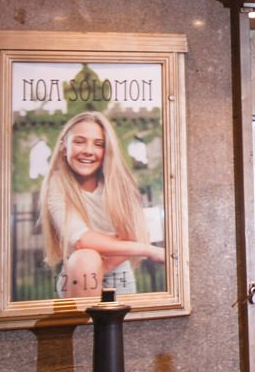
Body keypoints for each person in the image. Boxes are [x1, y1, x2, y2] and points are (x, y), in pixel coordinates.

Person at [39, 110, 165, 297]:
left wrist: (102, 266)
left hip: (118, 276)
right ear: (64, 148)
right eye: (79, 141)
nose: (88, 150)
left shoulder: (120, 184)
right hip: (77, 275)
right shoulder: (57, 183)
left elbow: (134, 232)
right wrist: (147, 249)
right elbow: (81, 239)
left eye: (99, 144)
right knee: (85, 257)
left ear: (107, 151)